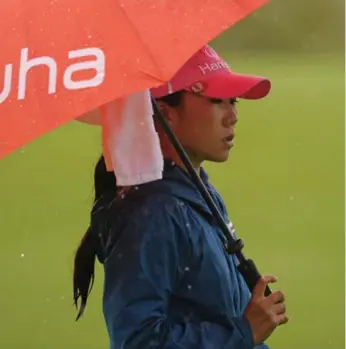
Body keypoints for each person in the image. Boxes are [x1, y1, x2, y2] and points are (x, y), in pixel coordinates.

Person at [73, 45, 288, 349]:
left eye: (234, 101)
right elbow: (137, 342)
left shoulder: (195, 190)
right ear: (165, 113)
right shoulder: (153, 214)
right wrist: (243, 333)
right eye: (217, 101)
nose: (233, 116)